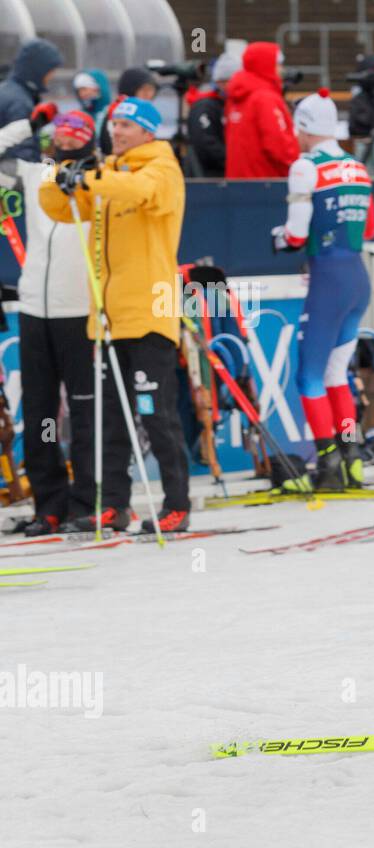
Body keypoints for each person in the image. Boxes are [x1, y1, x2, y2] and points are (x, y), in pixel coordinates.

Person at [40, 97, 191, 534]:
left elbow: (139, 193)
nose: (117, 132)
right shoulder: (109, 174)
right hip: (108, 318)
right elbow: (57, 207)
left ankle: (176, 503)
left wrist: (89, 175)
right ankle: (116, 504)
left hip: (149, 311)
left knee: (155, 413)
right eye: (114, 125)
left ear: (147, 132)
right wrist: (62, 173)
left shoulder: (160, 168)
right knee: (112, 416)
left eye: (126, 125)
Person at [271, 90, 374, 490]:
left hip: (328, 280)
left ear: (303, 128)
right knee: (337, 374)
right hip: (356, 277)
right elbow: (367, 229)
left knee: (309, 377)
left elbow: (296, 235)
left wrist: (279, 237)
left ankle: (328, 465)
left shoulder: (304, 167)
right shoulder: (357, 166)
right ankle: (352, 459)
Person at [0, 107, 95, 535]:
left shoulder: (100, 179)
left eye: (77, 136)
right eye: (61, 135)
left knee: (84, 410)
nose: (67, 141)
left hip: (79, 312)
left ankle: (87, 502)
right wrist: (27, 124)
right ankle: (49, 504)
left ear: (89, 140)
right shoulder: (38, 172)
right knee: (40, 412)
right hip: (36, 309)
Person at [224, 42, 299, 179]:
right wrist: (298, 163)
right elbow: (279, 147)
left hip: (238, 182)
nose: (281, 70)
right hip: (266, 183)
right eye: (277, 64)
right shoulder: (265, 98)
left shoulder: (237, 97)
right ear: (266, 65)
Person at [0, 39, 62, 162]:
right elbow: (22, 153)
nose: (52, 76)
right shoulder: (19, 102)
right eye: (50, 70)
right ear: (38, 70)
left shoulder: (9, 90)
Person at [186, 52, 239, 177]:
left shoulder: (228, 104)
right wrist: (231, 161)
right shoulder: (205, 107)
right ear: (220, 82)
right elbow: (206, 143)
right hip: (211, 177)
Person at [97, 67, 158, 156]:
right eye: (144, 90)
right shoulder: (118, 113)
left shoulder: (145, 113)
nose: (148, 95)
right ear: (130, 89)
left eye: (151, 90)